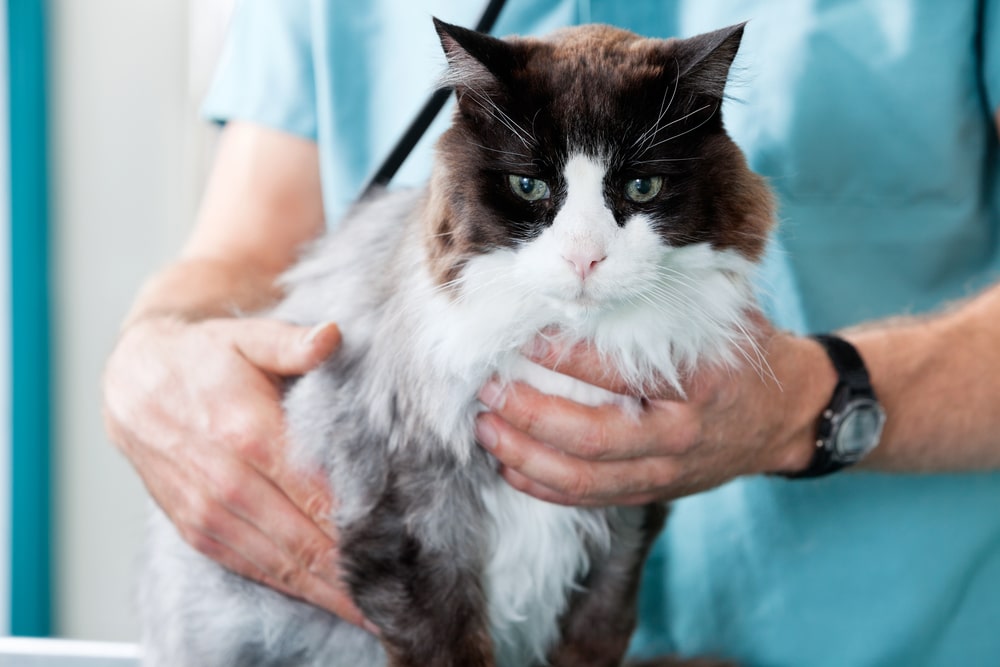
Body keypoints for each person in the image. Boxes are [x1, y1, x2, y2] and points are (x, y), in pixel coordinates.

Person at [101, 1, 1000, 664]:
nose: (582, 259)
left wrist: (809, 400)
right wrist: (151, 346)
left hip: (886, 629)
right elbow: (246, 246)